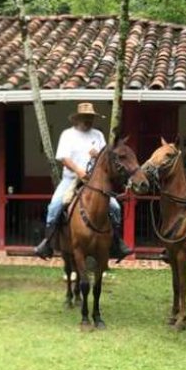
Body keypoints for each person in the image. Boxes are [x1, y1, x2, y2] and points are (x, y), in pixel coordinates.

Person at [33, 102, 131, 261]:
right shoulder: (67, 134)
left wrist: (97, 155)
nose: (88, 121)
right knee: (55, 206)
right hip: (71, 179)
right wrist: (79, 171)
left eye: (90, 118)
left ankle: (116, 243)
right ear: (77, 119)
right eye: (85, 118)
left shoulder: (98, 135)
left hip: (95, 182)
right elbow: (64, 158)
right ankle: (47, 243)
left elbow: (106, 159)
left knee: (114, 207)